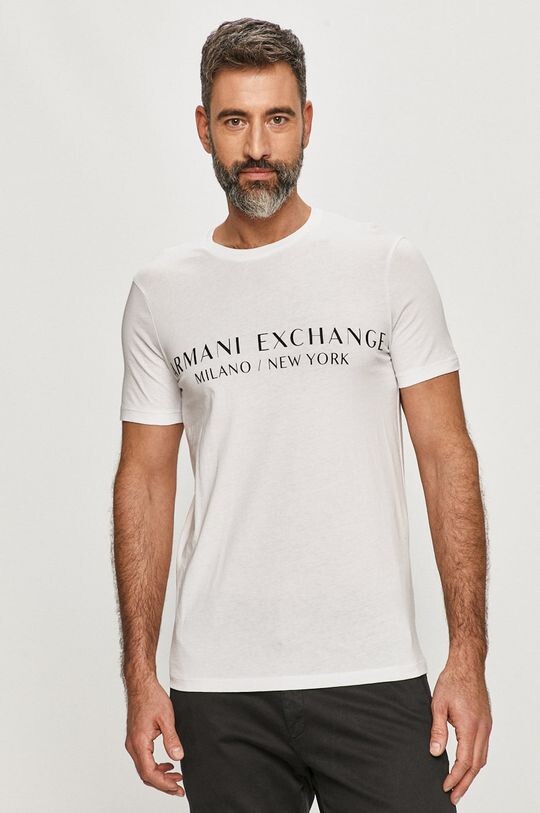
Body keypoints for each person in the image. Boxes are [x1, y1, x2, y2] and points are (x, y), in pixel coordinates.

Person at [112, 16, 492, 812]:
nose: (257, 146)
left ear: (307, 123)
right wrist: (139, 672)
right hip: (219, 688)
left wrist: (468, 652)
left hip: (373, 670)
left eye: (277, 119)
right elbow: (144, 480)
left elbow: (446, 455)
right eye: (235, 120)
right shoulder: (160, 292)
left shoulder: (385, 265)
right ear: (203, 129)